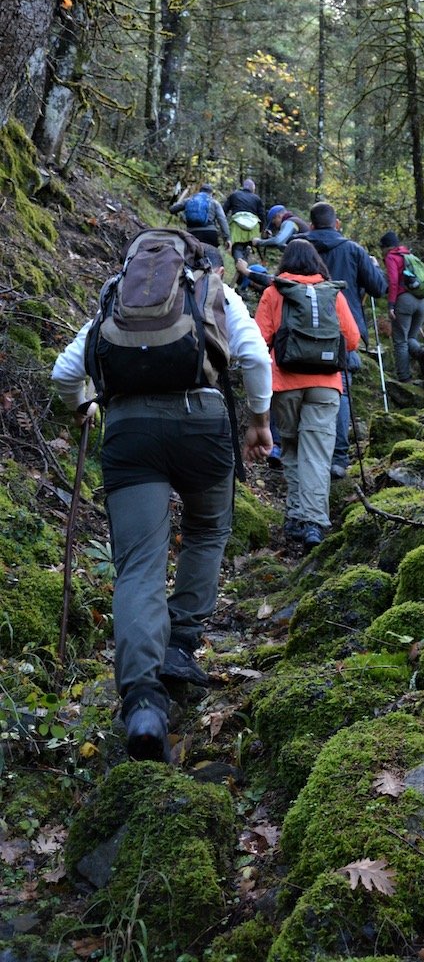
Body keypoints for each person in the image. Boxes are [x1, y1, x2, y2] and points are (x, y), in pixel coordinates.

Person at [51, 243, 272, 764]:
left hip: (129, 433)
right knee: (207, 529)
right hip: (203, 423)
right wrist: (260, 422)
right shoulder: (214, 291)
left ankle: (144, 701)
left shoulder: (116, 295)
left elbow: (65, 373)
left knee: (138, 564)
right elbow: (255, 357)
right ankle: (182, 640)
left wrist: (81, 406)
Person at [253, 239, 360, 546]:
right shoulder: (331, 292)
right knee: (316, 453)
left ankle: (296, 515)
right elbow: (351, 340)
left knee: (292, 447)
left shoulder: (274, 292)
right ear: (317, 263)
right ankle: (313, 522)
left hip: (285, 384)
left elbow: (260, 340)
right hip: (326, 385)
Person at [304, 202, 387, 478]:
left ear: (312, 224)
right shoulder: (352, 249)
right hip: (342, 329)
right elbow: (379, 288)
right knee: (339, 393)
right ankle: (338, 459)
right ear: (336, 223)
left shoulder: (299, 247)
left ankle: (299, 454)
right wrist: (373, 267)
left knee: (301, 390)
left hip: (302, 330)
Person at [379, 230, 424, 382]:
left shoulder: (392, 257)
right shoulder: (409, 255)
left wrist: (391, 305)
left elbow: (394, 282)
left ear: (386, 247)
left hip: (405, 301)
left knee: (400, 341)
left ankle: (404, 377)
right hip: (422, 301)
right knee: (411, 337)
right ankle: (421, 353)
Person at [169, 182, 230, 249]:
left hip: (192, 233)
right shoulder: (214, 202)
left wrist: (175, 202)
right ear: (211, 193)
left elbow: (172, 210)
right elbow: (222, 220)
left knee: (191, 257)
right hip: (209, 234)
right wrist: (227, 238)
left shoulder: (189, 200)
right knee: (212, 256)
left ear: (200, 191)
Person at [223, 179, 265, 269]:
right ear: (252, 189)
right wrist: (261, 230)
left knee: (237, 247)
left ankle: (240, 265)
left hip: (237, 226)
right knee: (250, 248)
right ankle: (248, 269)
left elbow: (224, 211)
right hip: (253, 227)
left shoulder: (234, 195)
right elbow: (262, 215)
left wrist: (225, 229)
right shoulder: (257, 198)